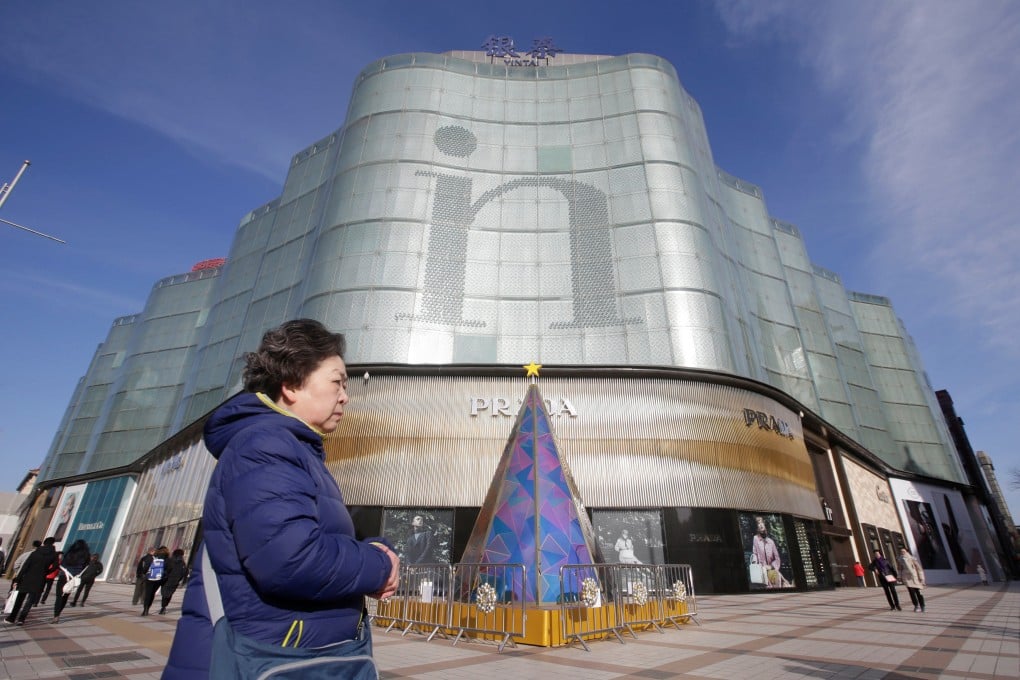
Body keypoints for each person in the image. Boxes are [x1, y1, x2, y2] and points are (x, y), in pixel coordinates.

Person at [164, 319, 400, 679]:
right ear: (291, 385)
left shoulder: (290, 449)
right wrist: (379, 566)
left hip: (293, 657)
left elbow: (297, 543)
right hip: (274, 660)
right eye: (337, 382)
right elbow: (291, 560)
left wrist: (373, 551)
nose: (345, 396)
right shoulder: (265, 445)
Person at [5, 537, 58, 626]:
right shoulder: (54, 554)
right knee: (30, 601)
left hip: (27, 578)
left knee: (19, 599)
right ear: (53, 544)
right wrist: (47, 572)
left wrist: (18, 578)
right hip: (40, 579)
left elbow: (26, 565)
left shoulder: (36, 552)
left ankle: (12, 617)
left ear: (44, 543)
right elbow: (56, 566)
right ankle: (21, 619)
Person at [52, 538, 90, 623]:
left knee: (59, 596)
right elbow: (85, 567)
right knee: (65, 596)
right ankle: (58, 614)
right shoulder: (86, 555)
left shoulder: (69, 553)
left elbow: (62, 564)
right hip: (74, 578)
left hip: (63, 576)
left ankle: (56, 615)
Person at [751, 516, 790, 588]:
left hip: (771, 569)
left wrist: (771, 566)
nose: (760, 524)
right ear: (757, 528)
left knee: (777, 577)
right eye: (758, 523)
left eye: (762, 522)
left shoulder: (771, 542)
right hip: (761, 570)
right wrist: (755, 563)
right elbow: (755, 553)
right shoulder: (755, 538)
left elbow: (777, 558)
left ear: (765, 525)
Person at [141, 546, 169, 616]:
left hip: (150, 578)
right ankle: (148, 607)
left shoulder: (153, 557)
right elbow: (169, 570)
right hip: (159, 579)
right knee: (152, 593)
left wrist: (145, 573)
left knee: (148, 593)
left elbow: (146, 567)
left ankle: (145, 609)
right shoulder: (167, 559)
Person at [159, 548, 188, 615]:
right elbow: (184, 573)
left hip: (167, 579)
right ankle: (165, 606)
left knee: (164, 593)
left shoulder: (169, 560)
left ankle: (163, 606)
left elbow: (164, 568)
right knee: (169, 594)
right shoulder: (182, 563)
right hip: (175, 581)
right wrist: (180, 579)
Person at [897, 547, 926, 612]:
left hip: (915, 577)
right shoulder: (900, 559)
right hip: (907, 577)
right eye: (901, 551)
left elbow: (919, 568)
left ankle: (922, 605)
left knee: (918, 592)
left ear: (907, 551)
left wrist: (921, 578)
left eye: (903, 551)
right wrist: (899, 577)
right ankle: (916, 605)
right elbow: (899, 569)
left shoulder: (912, 559)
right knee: (911, 592)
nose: (902, 553)